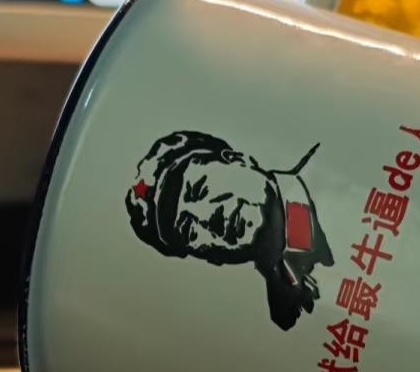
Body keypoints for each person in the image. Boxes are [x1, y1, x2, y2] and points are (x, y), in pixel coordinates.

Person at [126, 130, 333, 330]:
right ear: (212, 257)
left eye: (199, 190)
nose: (208, 217)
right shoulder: (285, 310)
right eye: (190, 230)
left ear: (236, 159)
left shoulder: (329, 169)